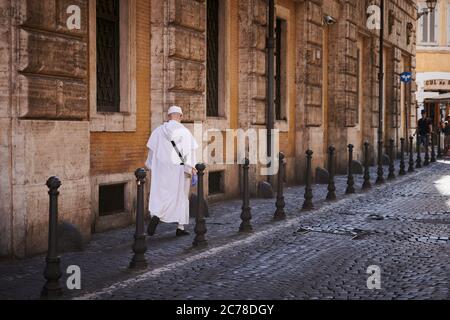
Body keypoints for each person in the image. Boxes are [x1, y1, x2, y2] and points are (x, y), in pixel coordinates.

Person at [145, 106, 199, 237]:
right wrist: (192, 168)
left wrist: (150, 165)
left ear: (168, 117)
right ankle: (180, 227)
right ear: (180, 116)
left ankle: (157, 214)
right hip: (179, 170)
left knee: (162, 194)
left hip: (162, 170)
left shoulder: (157, 131)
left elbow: (151, 153)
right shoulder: (185, 132)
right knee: (181, 196)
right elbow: (190, 152)